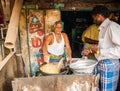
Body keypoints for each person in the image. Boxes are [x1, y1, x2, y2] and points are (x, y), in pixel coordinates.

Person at [82, 5, 120, 91]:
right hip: (101, 62)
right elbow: (105, 45)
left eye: (94, 17)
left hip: (109, 64)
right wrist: (91, 50)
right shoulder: (103, 28)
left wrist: (100, 51)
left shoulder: (112, 27)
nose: (93, 20)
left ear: (99, 15)